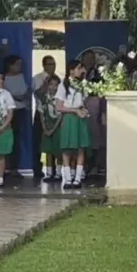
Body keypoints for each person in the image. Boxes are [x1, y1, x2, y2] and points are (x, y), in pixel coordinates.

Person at [56, 60, 91, 189]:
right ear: (71, 70)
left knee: (80, 148)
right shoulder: (63, 85)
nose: (81, 71)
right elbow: (59, 107)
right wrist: (74, 110)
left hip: (79, 119)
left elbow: (84, 103)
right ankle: (67, 179)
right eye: (79, 68)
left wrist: (83, 110)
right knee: (67, 149)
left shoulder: (83, 85)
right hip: (69, 118)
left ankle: (77, 179)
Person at [2, 55, 29, 179]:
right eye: (17, 64)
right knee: (7, 138)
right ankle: (5, 167)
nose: (19, 67)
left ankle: (14, 168)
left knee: (17, 140)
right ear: (10, 65)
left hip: (21, 110)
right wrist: (16, 97)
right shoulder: (4, 78)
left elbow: (24, 93)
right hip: (9, 112)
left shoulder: (21, 76)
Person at [36, 74, 62, 182]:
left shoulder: (60, 99)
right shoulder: (43, 98)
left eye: (56, 85)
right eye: (51, 84)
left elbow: (60, 116)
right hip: (47, 126)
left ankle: (59, 173)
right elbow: (41, 115)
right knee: (48, 151)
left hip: (58, 127)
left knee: (58, 150)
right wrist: (45, 128)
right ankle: (49, 172)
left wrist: (53, 129)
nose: (53, 87)